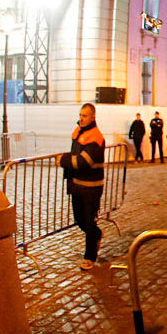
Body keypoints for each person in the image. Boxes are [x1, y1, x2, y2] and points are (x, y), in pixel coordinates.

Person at [59, 103, 106, 270]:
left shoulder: (96, 137)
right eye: (80, 115)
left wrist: (63, 160)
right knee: (80, 220)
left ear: (93, 117)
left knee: (89, 220)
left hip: (92, 187)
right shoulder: (79, 133)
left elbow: (84, 161)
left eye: (85, 115)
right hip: (77, 185)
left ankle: (90, 257)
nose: (81, 118)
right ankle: (96, 235)